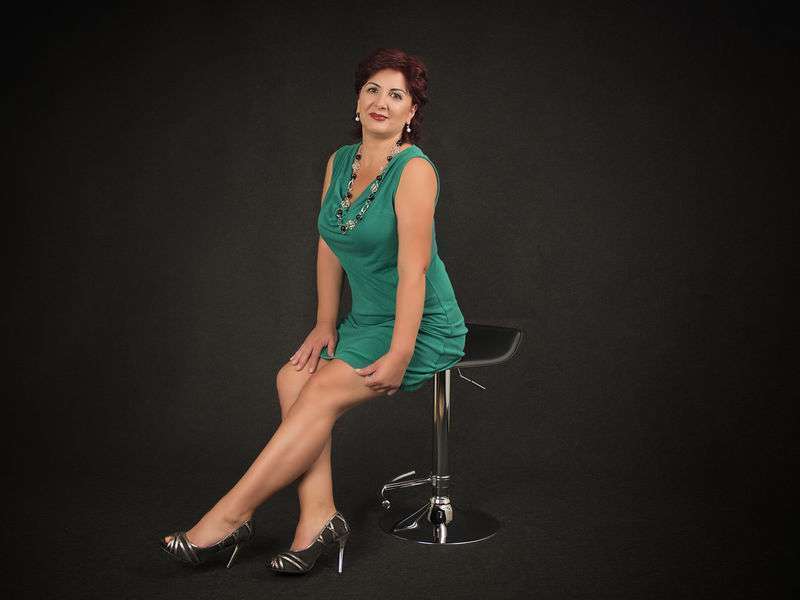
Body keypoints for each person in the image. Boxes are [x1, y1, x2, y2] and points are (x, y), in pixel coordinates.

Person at [160, 47, 468, 575]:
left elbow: (414, 271)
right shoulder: (340, 161)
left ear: (411, 112)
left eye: (397, 95)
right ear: (358, 100)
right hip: (367, 320)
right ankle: (318, 518)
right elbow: (329, 243)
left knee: (320, 390)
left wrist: (400, 352)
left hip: (421, 324)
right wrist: (326, 322)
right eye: (373, 89)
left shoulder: (415, 172)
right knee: (291, 378)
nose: (382, 101)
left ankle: (230, 517)